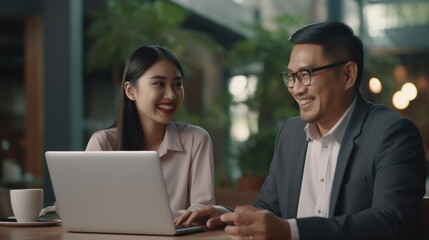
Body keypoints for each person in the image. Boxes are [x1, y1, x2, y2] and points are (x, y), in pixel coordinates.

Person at [175, 22, 427, 239]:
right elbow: (269, 207)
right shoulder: (291, 132)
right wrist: (227, 215)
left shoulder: (391, 134)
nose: (295, 88)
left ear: (348, 74)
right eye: (290, 76)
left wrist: (291, 232)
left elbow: (392, 223)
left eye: (305, 74)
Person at [86, 45, 215, 217]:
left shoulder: (196, 140)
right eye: (159, 84)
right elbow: (86, 206)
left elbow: (203, 209)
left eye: (177, 84)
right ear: (131, 91)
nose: (171, 95)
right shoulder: (103, 143)